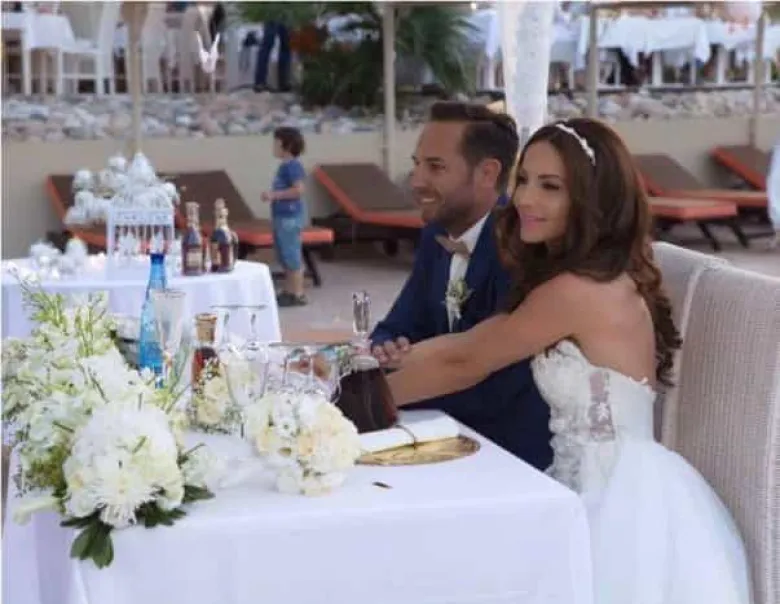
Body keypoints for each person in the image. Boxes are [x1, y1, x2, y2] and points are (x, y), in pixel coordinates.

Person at [385, 117, 751, 603]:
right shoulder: (580, 277)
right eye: (523, 180)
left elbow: (466, 361)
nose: (525, 198)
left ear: (591, 199)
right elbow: (464, 345)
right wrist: (364, 369)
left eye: (550, 186)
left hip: (613, 495)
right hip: (582, 477)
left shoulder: (577, 290)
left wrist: (349, 406)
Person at [370, 101, 552, 470]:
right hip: (443, 432)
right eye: (417, 165)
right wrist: (386, 348)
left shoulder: (523, 247)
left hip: (511, 453)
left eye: (435, 167)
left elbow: (496, 382)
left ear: (487, 173)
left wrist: (369, 399)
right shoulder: (436, 234)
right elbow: (398, 325)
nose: (417, 181)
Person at [262, 127, 307, 307]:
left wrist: (274, 195)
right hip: (281, 216)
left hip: (289, 217)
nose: (273, 147)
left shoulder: (292, 166)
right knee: (284, 255)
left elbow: (298, 190)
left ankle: (298, 292)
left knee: (291, 255)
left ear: (286, 146)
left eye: (276, 143)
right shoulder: (285, 166)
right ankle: (289, 290)